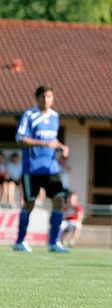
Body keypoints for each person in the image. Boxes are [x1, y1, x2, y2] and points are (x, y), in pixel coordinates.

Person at [13, 85, 70, 253]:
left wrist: (61, 147)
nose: (46, 100)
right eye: (43, 97)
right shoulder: (29, 115)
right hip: (32, 169)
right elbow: (20, 138)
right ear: (37, 98)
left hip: (51, 168)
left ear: (53, 99)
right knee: (29, 204)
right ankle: (20, 241)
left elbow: (52, 139)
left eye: (49, 96)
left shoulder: (55, 117)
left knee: (59, 200)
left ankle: (54, 243)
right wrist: (45, 144)